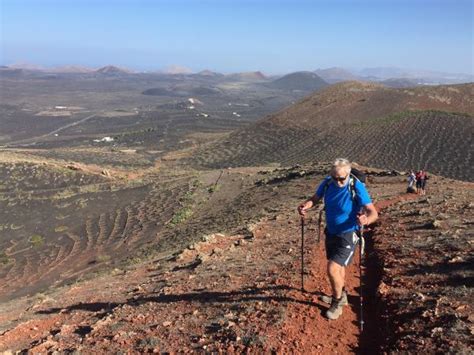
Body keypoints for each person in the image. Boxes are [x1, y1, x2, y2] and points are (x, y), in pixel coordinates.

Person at [297, 158, 378, 320]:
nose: (338, 181)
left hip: (348, 233)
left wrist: (366, 220)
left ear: (348, 174)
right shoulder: (327, 183)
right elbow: (315, 198)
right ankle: (341, 294)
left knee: (333, 268)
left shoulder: (356, 186)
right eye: (335, 178)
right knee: (339, 268)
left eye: (342, 178)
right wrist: (306, 205)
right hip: (332, 231)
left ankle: (337, 301)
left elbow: (373, 212)